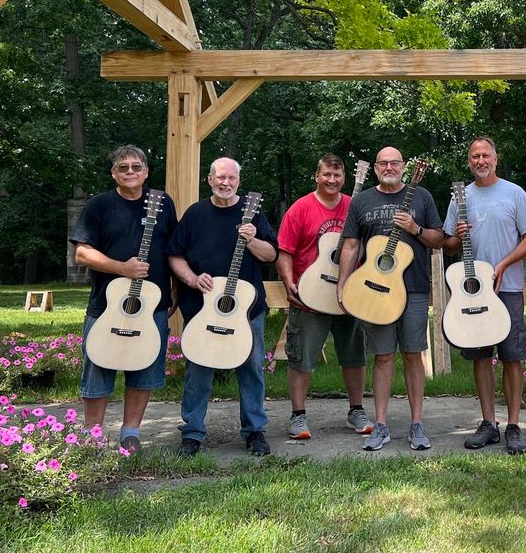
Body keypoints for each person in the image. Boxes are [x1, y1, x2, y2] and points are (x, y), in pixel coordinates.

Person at [167, 157, 278, 458]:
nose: (226, 183)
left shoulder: (252, 213)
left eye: (231, 178)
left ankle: (254, 431)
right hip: (203, 309)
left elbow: (270, 255)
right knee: (198, 368)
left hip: (246, 310)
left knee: (252, 368)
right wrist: (191, 278)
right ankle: (192, 433)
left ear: (238, 182)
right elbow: (174, 255)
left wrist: (253, 240)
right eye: (220, 178)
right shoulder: (195, 214)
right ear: (210, 180)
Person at [336, 146, 444, 451]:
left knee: (413, 354)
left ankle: (417, 424)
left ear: (405, 166)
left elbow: (439, 239)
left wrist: (415, 227)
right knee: (382, 356)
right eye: (383, 163)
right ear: (376, 168)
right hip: (374, 289)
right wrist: (342, 284)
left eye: (394, 162)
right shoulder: (362, 200)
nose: (389, 167)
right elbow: (351, 245)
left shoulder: (421, 196)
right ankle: (380, 425)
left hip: (414, 289)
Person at [71, 144, 177, 454]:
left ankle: (131, 432)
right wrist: (122, 269)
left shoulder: (163, 203)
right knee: (99, 367)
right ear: (113, 173)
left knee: (144, 368)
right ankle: (93, 434)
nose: (130, 172)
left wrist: (177, 290)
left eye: (135, 167)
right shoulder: (99, 206)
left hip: (152, 305)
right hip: (106, 305)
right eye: (123, 167)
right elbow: (81, 253)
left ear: (146, 171)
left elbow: (174, 249)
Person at [442, 137, 526, 455]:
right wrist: (459, 235)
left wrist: (504, 264)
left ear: (495, 158)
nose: (480, 160)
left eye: (485, 155)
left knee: (512, 357)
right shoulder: (462, 196)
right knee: (481, 358)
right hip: (471, 294)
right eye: (474, 156)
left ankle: (512, 425)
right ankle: (488, 423)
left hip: (506, 288)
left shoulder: (514, 193)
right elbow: (450, 244)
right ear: (469, 162)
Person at [275, 154, 373, 440]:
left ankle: (356, 410)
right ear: (317, 176)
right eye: (326, 175)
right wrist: (288, 282)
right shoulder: (300, 209)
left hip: (349, 296)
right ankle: (298, 416)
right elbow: (284, 253)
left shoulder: (355, 207)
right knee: (301, 358)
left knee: (355, 356)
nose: (331, 180)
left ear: (345, 178)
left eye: (337, 175)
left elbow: (371, 247)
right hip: (311, 296)